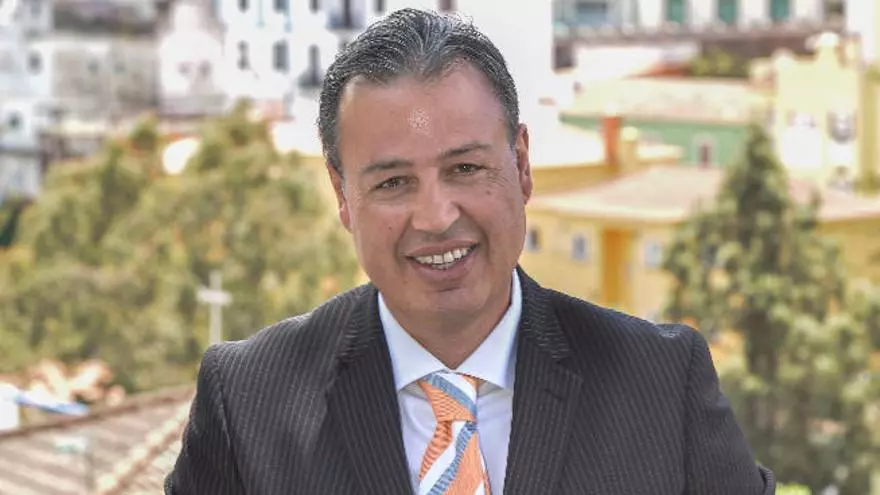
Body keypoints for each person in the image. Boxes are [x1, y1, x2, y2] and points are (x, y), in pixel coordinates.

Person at [165, 8, 775, 495]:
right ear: (342, 195)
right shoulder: (247, 402)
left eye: (465, 168)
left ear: (522, 165)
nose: (436, 217)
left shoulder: (660, 383)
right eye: (393, 182)